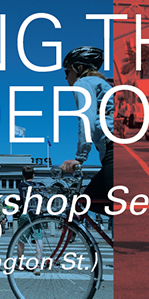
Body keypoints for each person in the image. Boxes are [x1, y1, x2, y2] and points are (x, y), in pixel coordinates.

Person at [59, 46, 115, 215]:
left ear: (79, 68)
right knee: (92, 199)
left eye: (67, 71)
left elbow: (86, 120)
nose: (66, 77)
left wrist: (80, 158)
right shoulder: (103, 84)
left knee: (92, 200)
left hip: (114, 149)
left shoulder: (83, 83)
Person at [15, 166, 44, 273]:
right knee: (38, 238)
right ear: (33, 175)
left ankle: (20, 263)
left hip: (25, 212)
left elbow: (22, 199)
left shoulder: (21, 185)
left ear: (23, 175)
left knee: (21, 239)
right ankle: (38, 265)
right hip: (36, 214)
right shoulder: (38, 186)